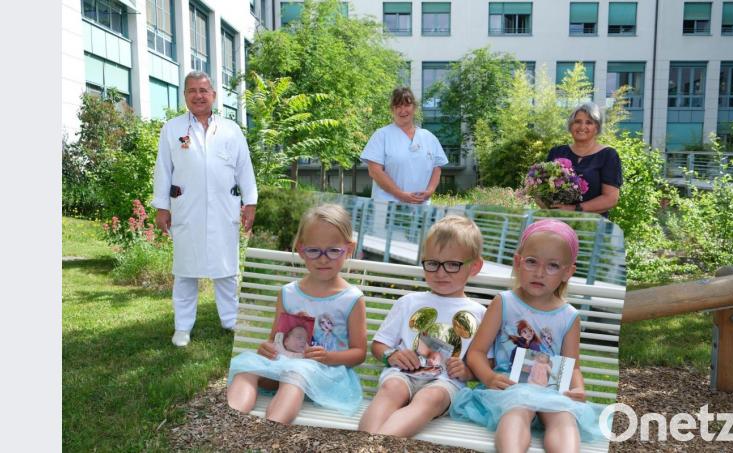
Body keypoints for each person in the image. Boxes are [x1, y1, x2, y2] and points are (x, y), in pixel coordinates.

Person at [450, 219, 605, 453]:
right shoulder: (504, 302)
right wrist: (490, 378)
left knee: (563, 416)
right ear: (518, 262)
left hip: (550, 389)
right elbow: (477, 352)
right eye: (532, 262)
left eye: (552, 266)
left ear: (567, 272)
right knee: (518, 407)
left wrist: (578, 389)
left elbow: (572, 367)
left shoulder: (569, 316)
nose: (540, 273)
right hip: (509, 387)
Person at [226, 204, 367, 422]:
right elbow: (276, 339)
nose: (323, 259)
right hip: (284, 363)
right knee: (247, 368)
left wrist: (329, 357)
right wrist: (267, 348)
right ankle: (232, 422)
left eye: (333, 250)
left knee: (296, 373)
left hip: (325, 374)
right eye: (313, 250)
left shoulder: (351, 299)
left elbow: (359, 353)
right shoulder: (288, 293)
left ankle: (271, 428)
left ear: (349, 249)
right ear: (301, 249)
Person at [358, 215, 489, 437]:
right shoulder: (409, 302)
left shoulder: (480, 314)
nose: (440, 272)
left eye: (452, 265)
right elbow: (379, 345)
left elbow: (486, 361)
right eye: (432, 263)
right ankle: (363, 444)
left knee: (430, 398)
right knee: (391, 389)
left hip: (446, 383)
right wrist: (391, 355)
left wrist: (468, 372)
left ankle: (372, 447)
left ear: (474, 266)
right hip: (403, 374)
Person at [153, 71, 257, 347]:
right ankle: (182, 327)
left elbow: (245, 169)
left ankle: (230, 319)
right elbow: (163, 171)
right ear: (185, 95)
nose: (198, 96)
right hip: (187, 209)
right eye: (192, 91)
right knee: (185, 271)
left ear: (213, 95)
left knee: (226, 269)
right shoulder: (172, 129)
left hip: (225, 209)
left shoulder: (231, 129)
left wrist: (251, 203)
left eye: (203, 90)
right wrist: (162, 207)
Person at [360, 87, 448, 205]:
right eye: (398, 106)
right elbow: (374, 171)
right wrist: (400, 194)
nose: (403, 110)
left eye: (407, 105)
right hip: (388, 206)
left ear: (414, 108)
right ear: (392, 110)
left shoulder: (429, 138)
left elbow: (436, 168)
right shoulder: (381, 135)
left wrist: (430, 191)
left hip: (421, 206)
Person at [547, 102, 623, 217]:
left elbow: (610, 199)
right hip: (558, 223)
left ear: (597, 128)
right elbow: (541, 189)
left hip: (591, 226)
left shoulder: (608, 155)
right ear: (570, 125)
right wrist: (552, 210)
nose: (582, 127)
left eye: (589, 122)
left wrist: (573, 209)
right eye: (577, 121)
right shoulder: (556, 152)